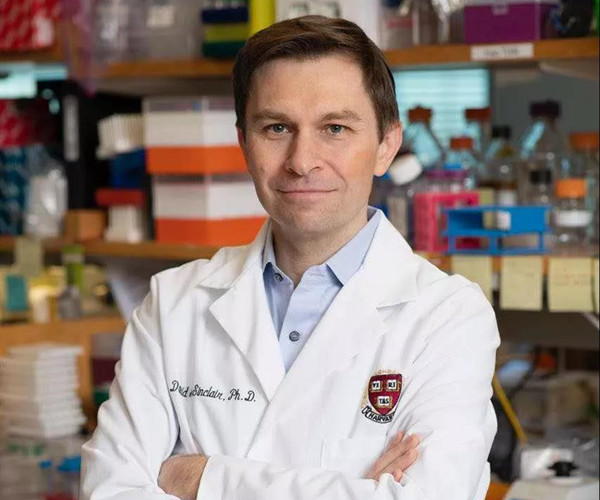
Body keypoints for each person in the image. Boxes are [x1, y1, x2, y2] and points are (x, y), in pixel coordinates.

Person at [81, 16, 499, 500]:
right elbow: (108, 491)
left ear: (387, 145)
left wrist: (204, 479)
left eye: (335, 128)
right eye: (276, 127)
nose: (302, 161)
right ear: (244, 143)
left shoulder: (448, 316)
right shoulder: (173, 303)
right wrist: (354, 490)